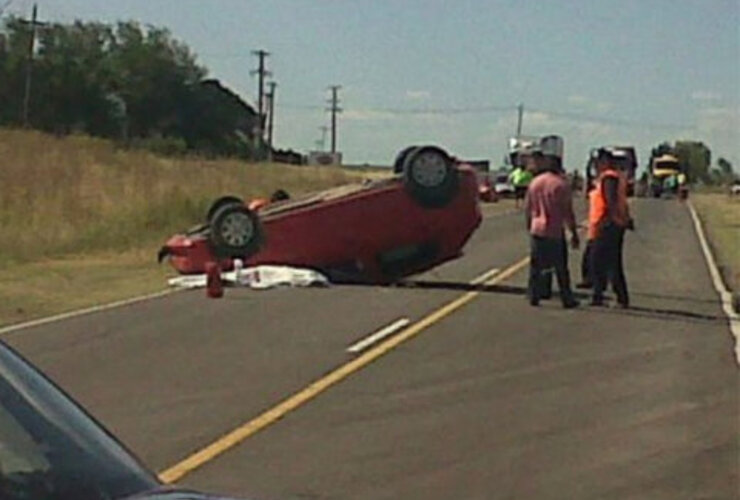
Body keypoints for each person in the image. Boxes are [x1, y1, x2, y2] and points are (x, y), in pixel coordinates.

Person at [524, 150, 580, 308]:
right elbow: (567, 211)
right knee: (561, 267)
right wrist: (573, 232)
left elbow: (528, 208)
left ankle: (534, 295)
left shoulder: (535, 183)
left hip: (537, 229)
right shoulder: (561, 185)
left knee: (536, 266)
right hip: (554, 231)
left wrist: (529, 225)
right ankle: (566, 298)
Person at [589, 149, 634, 308]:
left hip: (607, 224)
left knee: (600, 261)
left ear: (604, 162)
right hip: (611, 223)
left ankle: (608, 296)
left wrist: (612, 220)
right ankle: (603, 295)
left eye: (597, 163)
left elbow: (610, 201)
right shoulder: (612, 177)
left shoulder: (609, 177)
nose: (596, 166)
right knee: (607, 262)